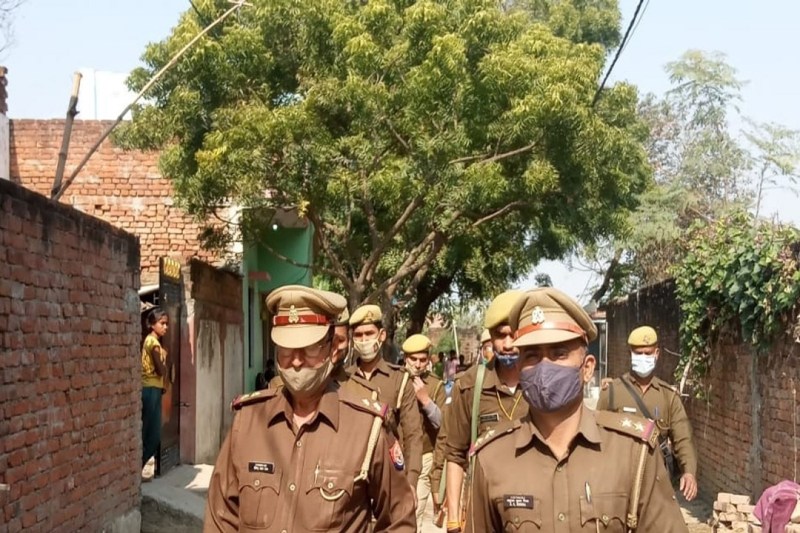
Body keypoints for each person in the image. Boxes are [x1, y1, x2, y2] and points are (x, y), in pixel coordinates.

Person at [466, 288, 688, 532]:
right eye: (532, 356)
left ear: (587, 368)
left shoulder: (633, 452)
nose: (545, 368)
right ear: (519, 369)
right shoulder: (491, 458)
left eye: (559, 354)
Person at [204, 286, 416, 532]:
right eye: (286, 348)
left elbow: (399, 520)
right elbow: (221, 518)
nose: (296, 360)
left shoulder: (367, 428)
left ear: (331, 347)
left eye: (310, 347)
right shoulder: (248, 421)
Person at [444, 290, 525, 533]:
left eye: (514, 335)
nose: (508, 344)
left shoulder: (543, 383)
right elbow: (455, 454)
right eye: (500, 336)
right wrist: (454, 520)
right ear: (491, 336)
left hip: (533, 512)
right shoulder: (470, 385)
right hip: (484, 512)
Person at [597, 325, 699, 501]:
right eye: (638, 353)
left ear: (657, 354)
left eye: (648, 353)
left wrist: (689, 472)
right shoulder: (612, 392)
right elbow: (596, 435)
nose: (643, 357)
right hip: (619, 482)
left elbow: (683, 438)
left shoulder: (668, 397)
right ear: (630, 354)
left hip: (657, 482)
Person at [348, 304, 424, 489]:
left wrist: (411, 481)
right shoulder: (343, 379)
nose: (364, 340)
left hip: (389, 476)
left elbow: (413, 435)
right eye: (358, 335)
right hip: (351, 476)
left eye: (369, 333)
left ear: (381, 335)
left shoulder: (399, 379)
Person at [403, 334, 447, 531]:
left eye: (422, 359)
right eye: (413, 359)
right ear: (405, 358)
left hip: (424, 455)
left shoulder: (436, 385)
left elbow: (443, 424)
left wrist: (425, 400)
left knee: (414, 511)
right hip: (397, 456)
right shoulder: (396, 380)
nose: (418, 364)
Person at [141, 307, 168, 478]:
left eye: (166, 324)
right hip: (151, 389)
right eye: (162, 323)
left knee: (149, 433)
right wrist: (166, 363)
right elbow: (160, 370)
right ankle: (138, 466)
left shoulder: (150, 341)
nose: (165, 327)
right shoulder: (154, 344)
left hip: (152, 389)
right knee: (152, 435)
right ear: (152, 324)